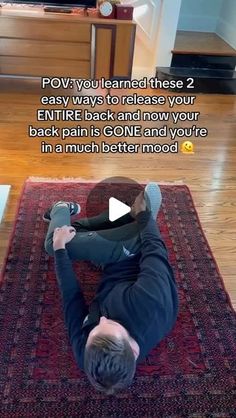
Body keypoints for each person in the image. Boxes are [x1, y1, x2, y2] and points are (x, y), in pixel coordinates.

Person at [44, 183, 179, 395]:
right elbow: (155, 250)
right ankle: (63, 208)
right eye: (111, 325)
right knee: (52, 243)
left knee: (60, 242)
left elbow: (71, 299)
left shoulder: (87, 353)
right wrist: (145, 218)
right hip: (137, 252)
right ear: (134, 350)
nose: (102, 319)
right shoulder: (152, 303)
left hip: (112, 274)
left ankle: (123, 213)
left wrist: (60, 250)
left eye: (95, 328)